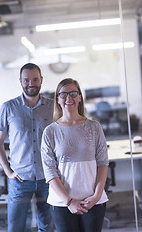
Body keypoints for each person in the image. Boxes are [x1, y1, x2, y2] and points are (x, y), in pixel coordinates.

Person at [41, 78, 109, 232]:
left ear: (80, 97)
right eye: (63, 94)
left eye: (73, 93)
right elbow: (50, 172)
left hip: (93, 200)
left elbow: (103, 163)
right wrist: (69, 201)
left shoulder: (94, 127)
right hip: (62, 202)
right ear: (57, 99)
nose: (68, 98)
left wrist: (97, 196)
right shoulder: (50, 132)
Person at [0, 63, 55, 232]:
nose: (31, 83)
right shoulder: (8, 108)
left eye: (35, 79)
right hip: (20, 180)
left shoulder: (53, 107)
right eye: (26, 80)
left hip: (48, 178)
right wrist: (8, 171)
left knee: (48, 227)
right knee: (16, 228)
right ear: (20, 81)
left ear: (41, 80)